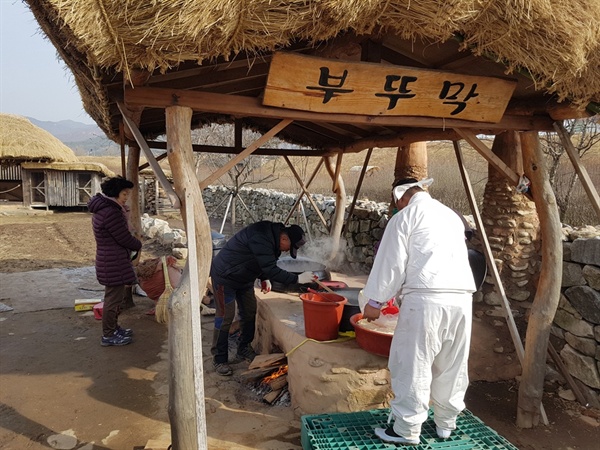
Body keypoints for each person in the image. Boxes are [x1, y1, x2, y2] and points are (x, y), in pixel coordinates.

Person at [361, 177, 476, 445]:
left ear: (400, 197)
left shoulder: (405, 217)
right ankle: (446, 423)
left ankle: (406, 429)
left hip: (426, 300)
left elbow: (390, 263)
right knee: (452, 364)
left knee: (413, 364)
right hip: (461, 299)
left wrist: (375, 302)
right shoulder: (450, 216)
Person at [210, 221, 313, 376]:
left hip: (244, 277)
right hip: (225, 276)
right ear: (284, 239)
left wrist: (264, 278)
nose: (287, 252)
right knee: (225, 316)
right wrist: (297, 279)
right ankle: (219, 358)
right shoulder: (261, 236)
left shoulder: (272, 237)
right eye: (289, 248)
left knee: (250, 311)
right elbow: (271, 267)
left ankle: (243, 348)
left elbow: (263, 260)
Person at [88, 176, 142, 347]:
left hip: (110, 259)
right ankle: (108, 335)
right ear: (115, 193)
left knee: (114, 299)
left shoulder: (104, 208)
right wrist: (138, 244)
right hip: (113, 261)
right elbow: (123, 238)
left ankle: (113, 328)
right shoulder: (111, 212)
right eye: (124, 194)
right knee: (112, 300)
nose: (126, 197)